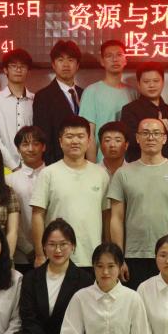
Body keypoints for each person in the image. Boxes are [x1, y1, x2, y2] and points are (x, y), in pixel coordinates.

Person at [108, 117, 168, 289]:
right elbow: (116, 218)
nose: (151, 137)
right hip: (134, 254)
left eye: (156, 133)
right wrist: (119, 257)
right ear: (137, 138)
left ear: (164, 138)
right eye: (145, 133)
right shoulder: (123, 173)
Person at [30, 116, 109, 272]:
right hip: (56, 257)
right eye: (69, 136)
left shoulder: (101, 174)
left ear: (89, 141)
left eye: (80, 136)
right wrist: (40, 254)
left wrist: (106, 253)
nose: (75, 141)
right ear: (60, 141)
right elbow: (37, 215)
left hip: (92, 257)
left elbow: (107, 216)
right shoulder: (48, 173)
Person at [80, 39, 135, 163]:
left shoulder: (133, 93)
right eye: (109, 56)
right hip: (101, 163)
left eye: (119, 55)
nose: (115, 59)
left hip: (129, 164)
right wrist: (93, 167)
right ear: (102, 61)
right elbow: (89, 134)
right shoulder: (92, 91)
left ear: (125, 60)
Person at [34, 41, 84, 165]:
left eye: (70, 60)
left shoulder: (84, 94)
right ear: (53, 64)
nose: (66, 65)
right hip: (58, 164)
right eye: (60, 60)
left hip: (84, 162)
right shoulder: (43, 97)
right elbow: (43, 137)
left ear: (77, 65)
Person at [0, 48, 35, 169]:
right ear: (5, 69)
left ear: (28, 70)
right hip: (3, 167)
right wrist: (13, 165)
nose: (18, 70)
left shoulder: (35, 100)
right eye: (13, 66)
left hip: (33, 165)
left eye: (22, 66)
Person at [6, 126, 47, 272]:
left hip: (54, 251)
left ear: (44, 147)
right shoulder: (9, 180)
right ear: (18, 149)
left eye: (36, 144)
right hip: (21, 255)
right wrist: (28, 248)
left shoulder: (55, 175)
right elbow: (9, 219)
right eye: (25, 144)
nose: (31, 149)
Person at [120, 62, 168, 161]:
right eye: (146, 81)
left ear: (163, 82)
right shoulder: (129, 110)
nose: (151, 85)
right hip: (139, 165)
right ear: (139, 84)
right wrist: (159, 126)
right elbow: (130, 140)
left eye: (156, 81)